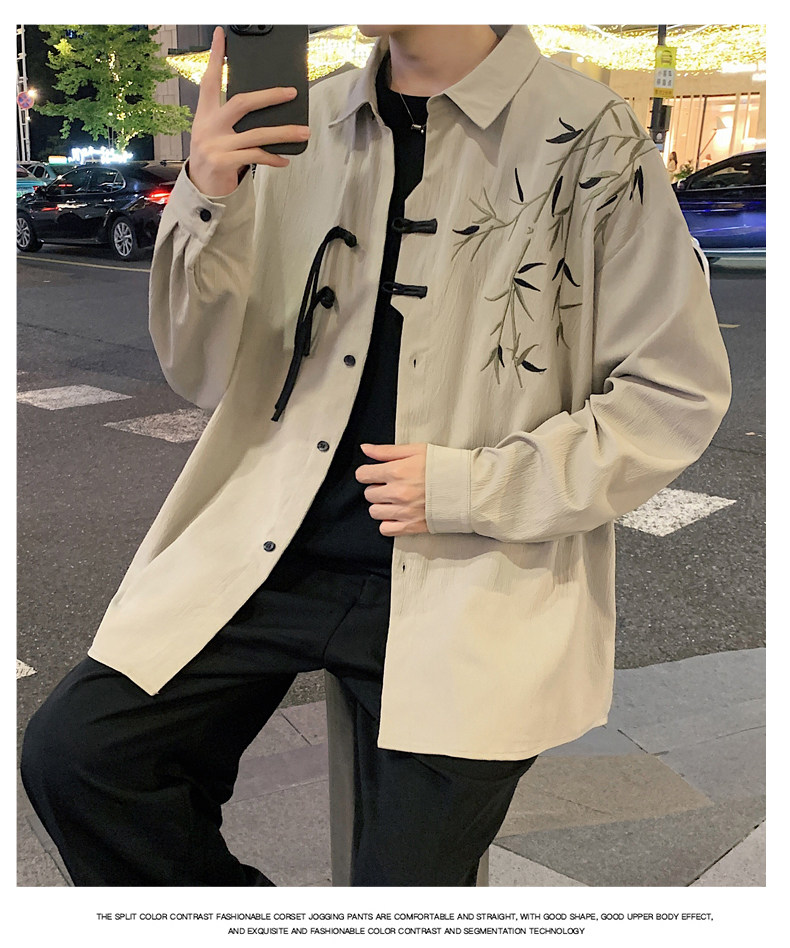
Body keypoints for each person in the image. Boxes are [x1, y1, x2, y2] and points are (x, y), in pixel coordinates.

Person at [20, 24, 731, 887]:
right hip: (273, 549)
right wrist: (208, 196)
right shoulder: (301, 124)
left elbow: (673, 392)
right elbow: (199, 370)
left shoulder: (590, 136)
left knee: (405, 895)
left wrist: (475, 487)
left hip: (477, 572)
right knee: (82, 760)